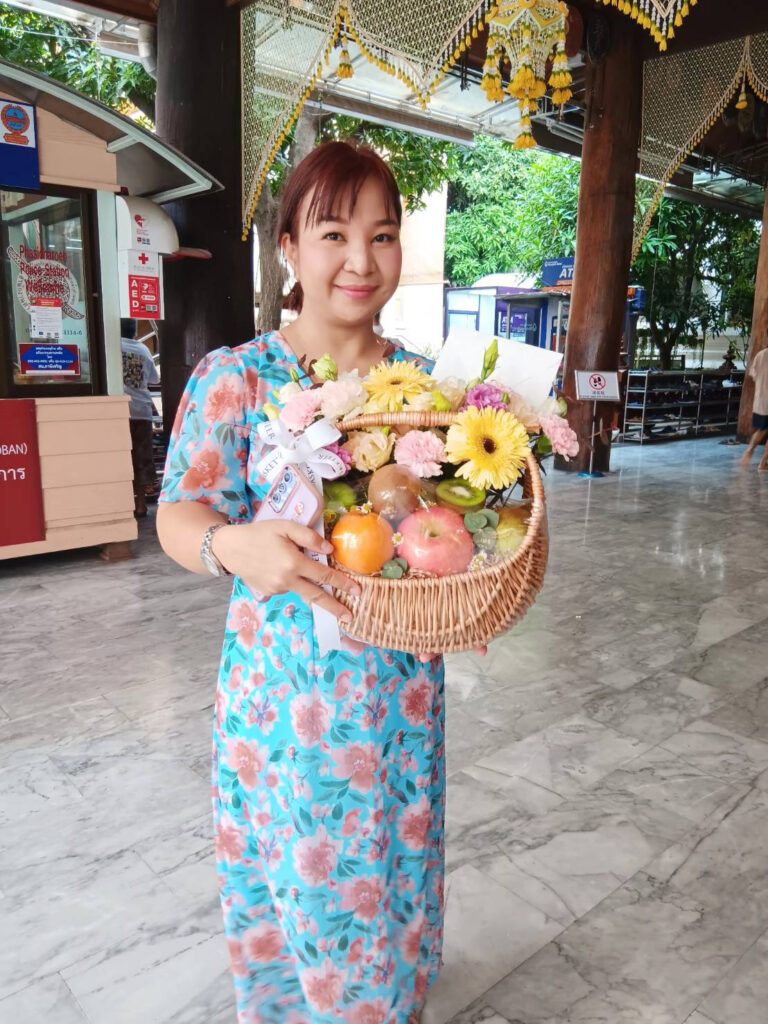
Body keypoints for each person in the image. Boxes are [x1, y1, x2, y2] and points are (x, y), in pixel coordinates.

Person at [156, 142, 463, 1023]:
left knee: (392, 876)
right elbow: (178, 516)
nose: (362, 262)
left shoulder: (421, 388)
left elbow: (446, 529)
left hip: (403, 695)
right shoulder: (236, 379)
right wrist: (231, 547)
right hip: (288, 709)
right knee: (304, 887)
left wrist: (465, 579)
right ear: (288, 245)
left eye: (384, 235)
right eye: (334, 233)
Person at [121, 318, 159, 516]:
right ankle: (142, 504)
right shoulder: (143, 350)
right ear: (135, 331)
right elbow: (154, 379)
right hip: (142, 411)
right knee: (142, 458)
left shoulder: (112, 347)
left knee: (122, 458)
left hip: (119, 413)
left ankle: (125, 504)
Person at [740, 344, 768, 471]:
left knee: (762, 429)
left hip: (761, 399)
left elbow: (753, 375)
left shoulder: (761, 355)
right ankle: (762, 463)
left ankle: (751, 449)